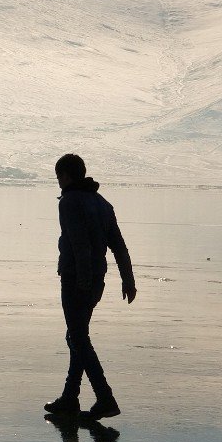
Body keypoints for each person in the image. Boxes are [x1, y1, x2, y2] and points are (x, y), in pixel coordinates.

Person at [44, 154, 136, 421]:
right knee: (76, 335)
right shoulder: (102, 203)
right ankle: (70, 399)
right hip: (97, 281)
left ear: (67, 176)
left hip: (77, 279)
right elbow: (118, 245)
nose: (59, 183)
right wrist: (128, 280)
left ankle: (105, 398)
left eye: (59, 177)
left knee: (78, 338)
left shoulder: (70, 202)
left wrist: (81, 282)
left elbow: (79, 243)